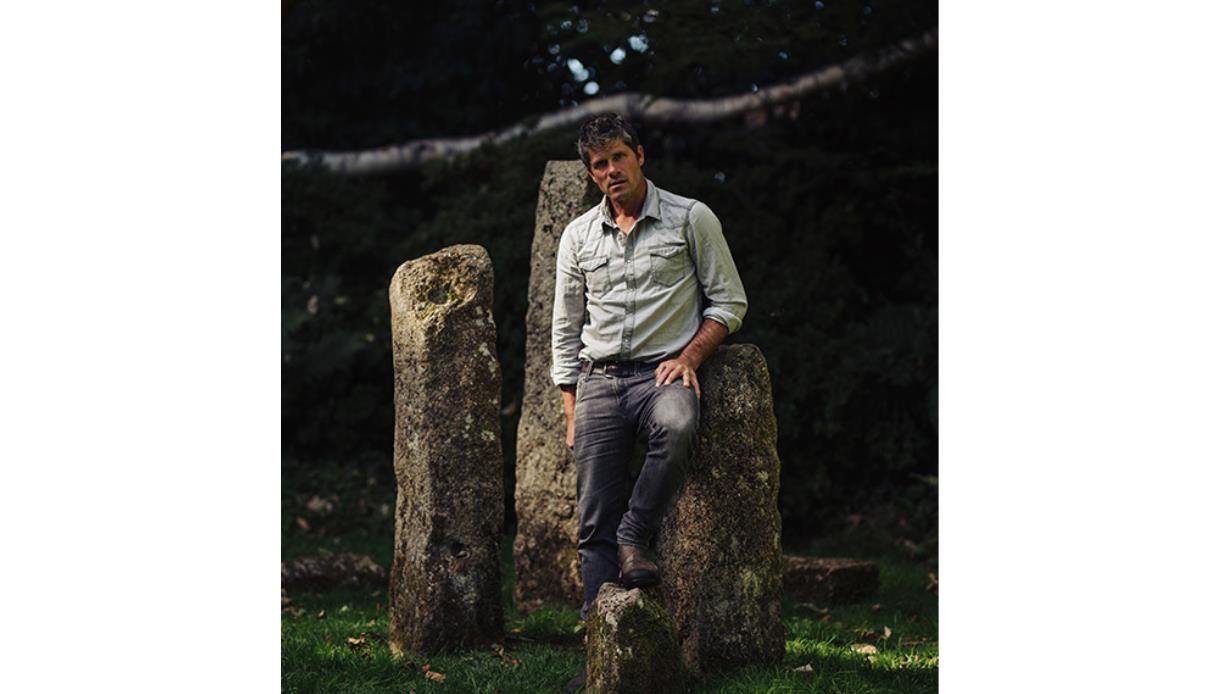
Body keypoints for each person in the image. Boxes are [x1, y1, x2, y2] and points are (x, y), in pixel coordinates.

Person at [552, 114, 748, 690]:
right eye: (598, 164)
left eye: (617, 157)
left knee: (679, 423)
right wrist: (570, 402)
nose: (610, 171)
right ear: (592, 175)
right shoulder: (578, 236)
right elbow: (566, 326)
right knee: (592, 522)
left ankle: (635, 534)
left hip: (662, 375)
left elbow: (729, 302)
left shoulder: (692, 217)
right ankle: (600, 660)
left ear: (641, 155)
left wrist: (690, 357)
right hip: (598, 380)